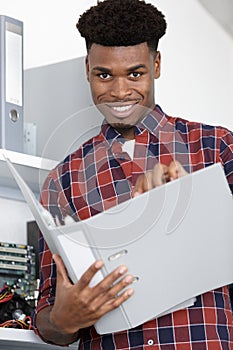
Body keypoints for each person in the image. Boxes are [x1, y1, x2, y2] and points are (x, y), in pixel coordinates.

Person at [34, 0, 233, 349]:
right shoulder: (61, 182)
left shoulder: (216, 147)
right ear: (87, 69)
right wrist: (63, 320)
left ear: (156, 65)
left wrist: (197, 209)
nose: (120, 92)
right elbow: (50, 318)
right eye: (104, 75)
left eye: (135, 73)